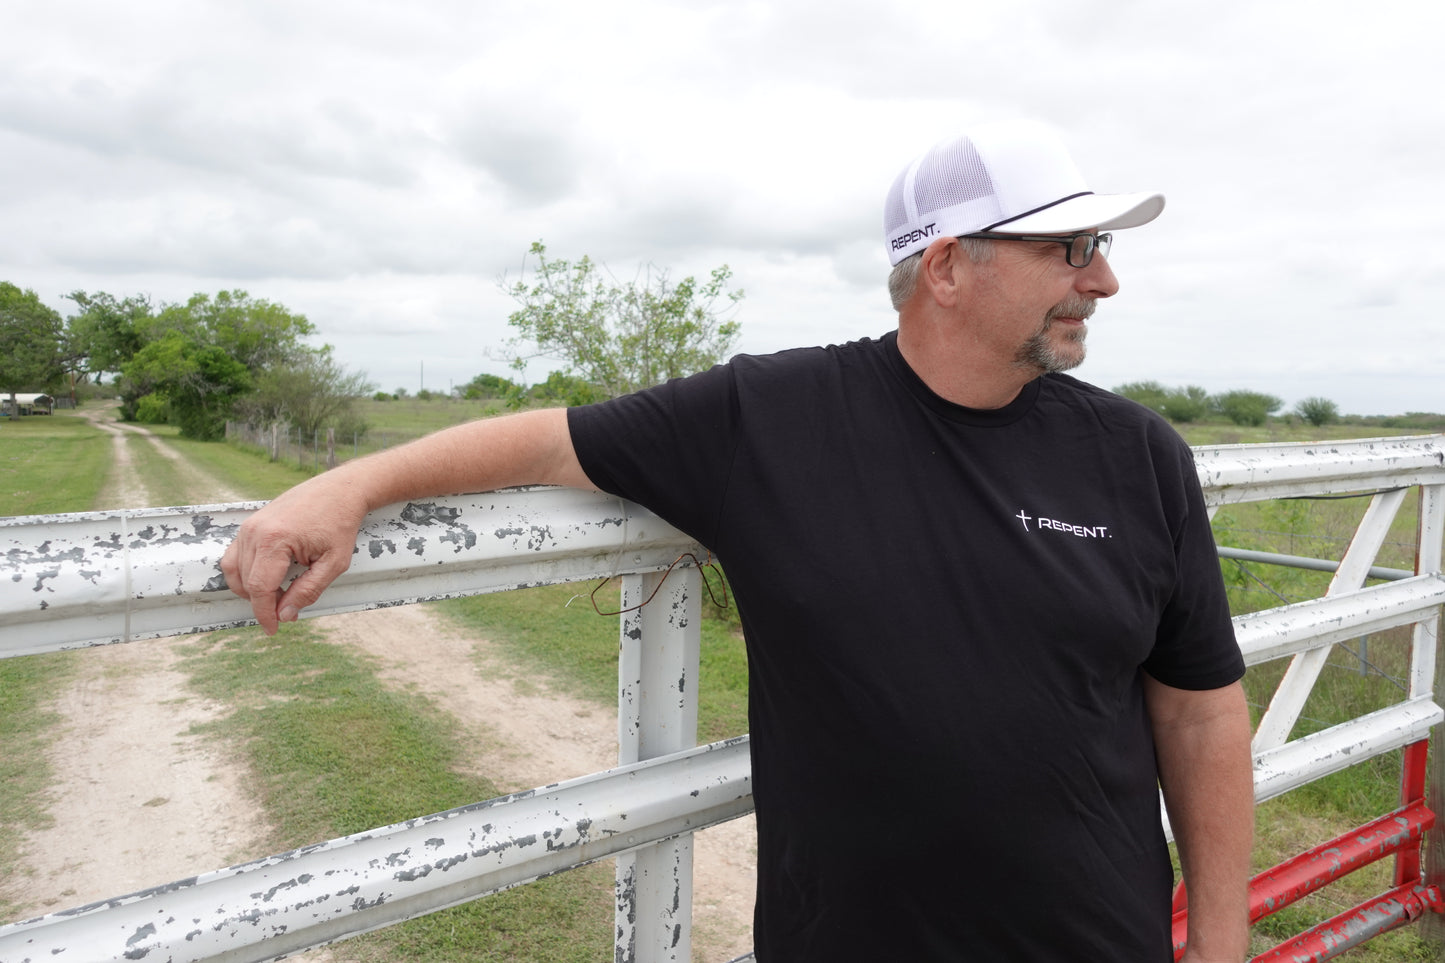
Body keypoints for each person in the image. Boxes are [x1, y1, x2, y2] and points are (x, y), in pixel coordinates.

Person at [222, 120, 1254, 962]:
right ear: (946, 267)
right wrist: (350, 484)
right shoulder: (770, 417)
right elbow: (546, 441)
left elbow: (1199, 713)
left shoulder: (1135, 453)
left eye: (1100, 249)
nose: (1102, 281)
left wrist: (1214, 941)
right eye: (1069, 251)